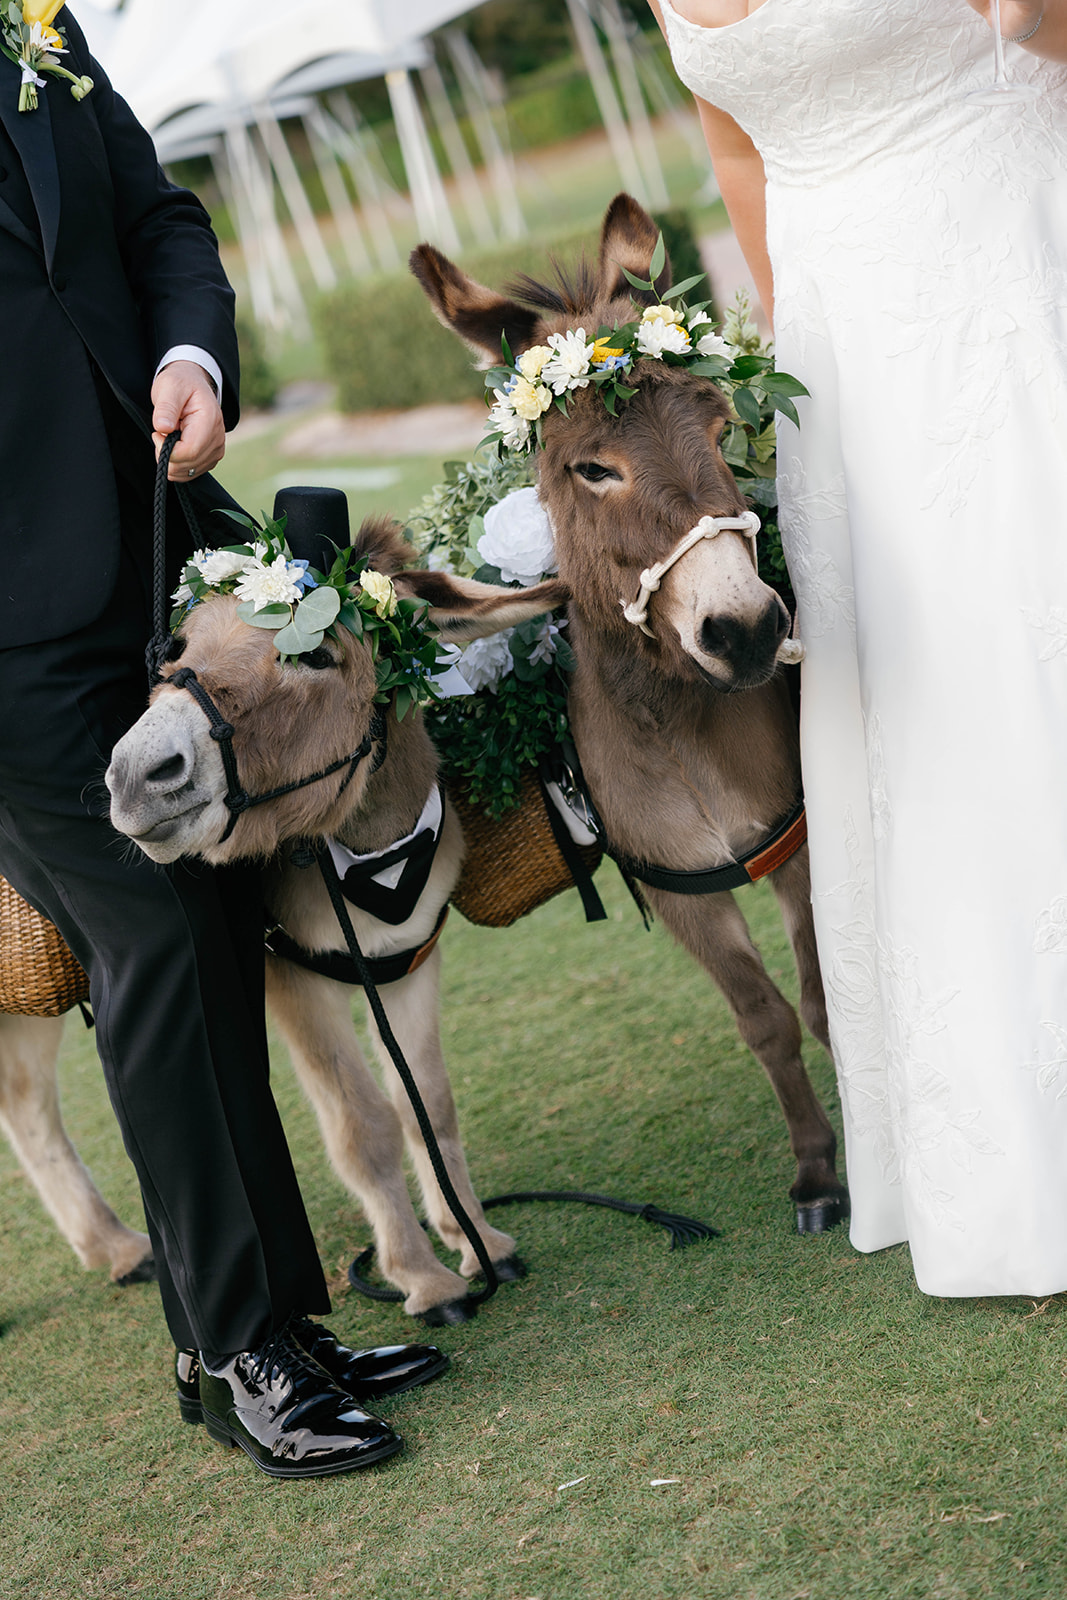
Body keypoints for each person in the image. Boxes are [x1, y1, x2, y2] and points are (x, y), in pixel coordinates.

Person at [0, 7, 447, 1478]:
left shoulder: (36, 24)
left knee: (214, 927)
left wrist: (193, 349)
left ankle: (272, 1328)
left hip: (165, 564)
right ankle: (233, 1349)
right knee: (155, 950)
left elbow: (154, 213)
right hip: (10, 646)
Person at [648, 0, 1067, 1297]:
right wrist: (794, 366)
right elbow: (735, 153)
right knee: (939, 707)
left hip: (1008, 242)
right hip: (848, 352)